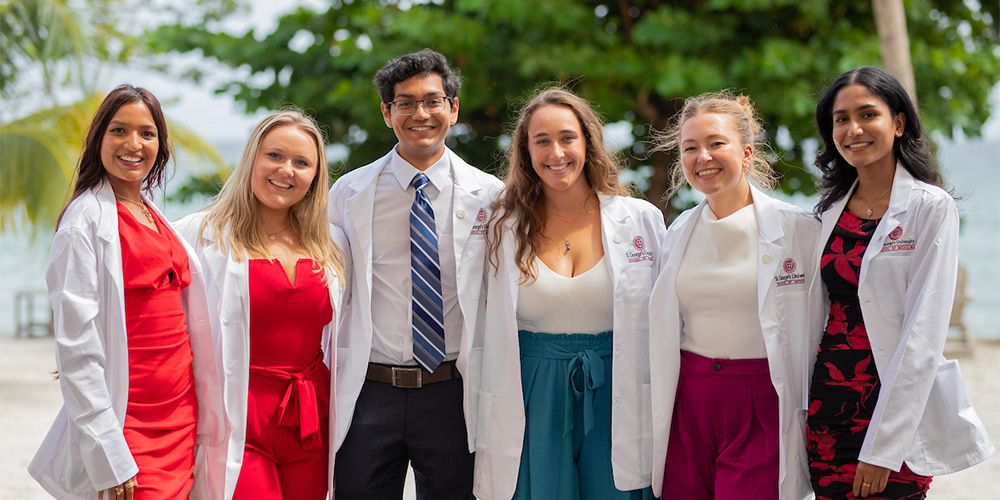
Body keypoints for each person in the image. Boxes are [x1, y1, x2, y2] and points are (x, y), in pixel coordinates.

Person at [28, 84, 227, 500]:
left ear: (161, 144)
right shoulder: (84, 223)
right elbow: (76, 349)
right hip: (129, 424)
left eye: (147, 133)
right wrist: (109, 452)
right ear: (99, 137)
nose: (133, 144)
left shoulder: (152, 213)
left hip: (181, 416)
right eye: (119, 130)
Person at [806, 66, 994, 500]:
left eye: (867, 114)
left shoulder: (931, 208)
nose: (853, 129)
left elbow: (924, 334)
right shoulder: (827, 211)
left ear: (898, 121)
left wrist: (884, 449)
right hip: (828, 404)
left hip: (892, 413)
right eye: (840, 118)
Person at [327, 48, 503, 499]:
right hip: (371, 390)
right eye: (405, 103)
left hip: (452, 391)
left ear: (453, 108)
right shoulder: (349, 192)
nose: (420, 113)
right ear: (387, 114)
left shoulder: (492, 196)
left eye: (432, 100)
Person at [473, 87, 664, 500]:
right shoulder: (500, 226)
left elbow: (668, 317)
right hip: (532, 389)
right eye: (541, 141)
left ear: (588, 142)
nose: (555, 152)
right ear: (526, 152)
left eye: (567, 138)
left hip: (618, 386)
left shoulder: (640, 220)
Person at [647, 91, 821, 500]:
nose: (702, 156)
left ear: (745, 154)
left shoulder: (799, 230)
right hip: (689, 399)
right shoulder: (678, 233)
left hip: (761, 399)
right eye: (690, 148)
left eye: (715, 143)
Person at [175, 110, 347, 500]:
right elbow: (156, 310)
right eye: (275, 156)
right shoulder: (198, 234)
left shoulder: (334, 243)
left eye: (301, 162)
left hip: (312, 419)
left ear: (316, 176)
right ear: (252, 158)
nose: (286, 170)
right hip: (238, 419)